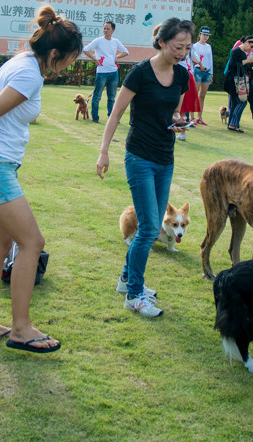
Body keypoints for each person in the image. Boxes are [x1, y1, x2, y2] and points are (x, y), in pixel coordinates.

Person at [0, 5, 83, 352]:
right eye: (69, 60)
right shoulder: (28, 72)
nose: (69, 67)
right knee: (32, 243)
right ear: (54, 53)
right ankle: (21, 328)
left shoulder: (21, 61)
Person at [96, 17, 195, 317]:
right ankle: (135, 295)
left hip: (166, 158)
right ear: (162, 42)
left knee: (151, 225)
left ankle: (127, 280)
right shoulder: (139, 73)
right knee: (150, 227)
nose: (182, 53)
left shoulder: (182, 76)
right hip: (139, 157)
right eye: (178, 46)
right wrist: (103, 152)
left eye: (187, 48)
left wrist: (179, 123)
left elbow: (174, 113)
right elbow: (115, 115)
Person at [83, 21, 129, 124]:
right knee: (97, 96)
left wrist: (116, 57)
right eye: (104, 28)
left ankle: (111, 118)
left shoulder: (115, 41)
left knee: (111, 97)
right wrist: (94, 59)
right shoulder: (98, 41)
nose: (106, 30)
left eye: (108, 29)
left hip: (113, 72)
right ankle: (95, 117)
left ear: (113, 30)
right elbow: (85, 49)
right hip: (102, 72)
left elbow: (126, 52)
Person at [222, 37, 253, 133]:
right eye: (251, 46)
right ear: (247, 42)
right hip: (233, 81)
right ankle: (233, 124)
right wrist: (247, 61)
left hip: (237, 81)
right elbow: (232, 64)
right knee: (242, 102)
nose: (251, 49)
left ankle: (233, 125)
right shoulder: (237, 51)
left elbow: (243, 66)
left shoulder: (242, 52)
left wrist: (251, 67)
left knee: (235, 103)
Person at [191, 26, 214, 125]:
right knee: (194, 94)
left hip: (207, 72)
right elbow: (193, 59)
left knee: (202, 95)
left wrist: (211, 73)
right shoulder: (195, 46)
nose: (205, 37)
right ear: (200, 35)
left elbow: (210, 60)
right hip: (198, 71)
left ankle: (199, 117)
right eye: (204, 35)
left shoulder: (208, 47)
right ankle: (191, 117)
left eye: (207, 35)